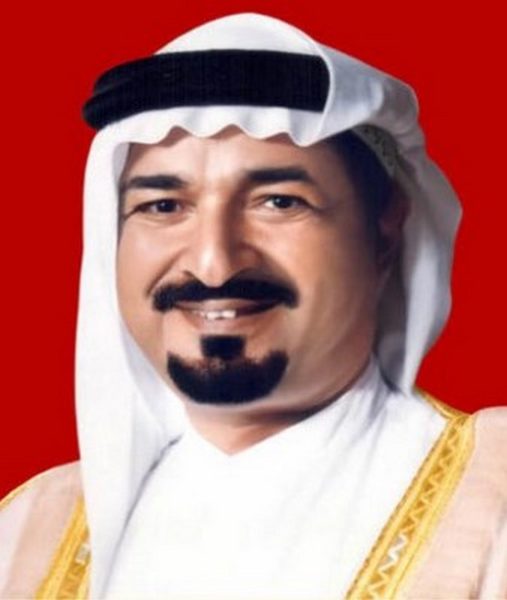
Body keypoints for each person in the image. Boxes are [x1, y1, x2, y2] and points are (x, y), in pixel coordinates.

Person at [0, 12, 505, 600]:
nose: (213, 263)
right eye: (163, 206)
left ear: (385, 232)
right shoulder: (28, 532)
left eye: (278, 201)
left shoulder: (492, 495)